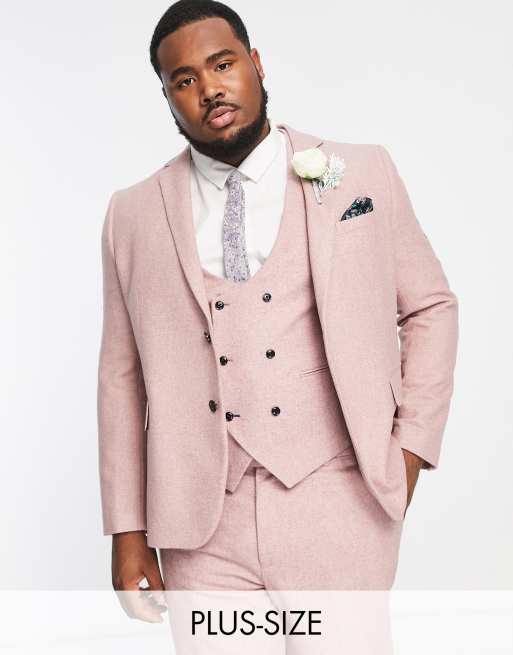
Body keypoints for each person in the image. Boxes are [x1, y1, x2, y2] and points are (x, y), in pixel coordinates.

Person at [97, 0, 458, 628]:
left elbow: (431, 307)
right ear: (168, 98)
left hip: (341, 503)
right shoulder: (130, 215)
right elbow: (120, 378)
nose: (209, 89)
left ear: (256, 64)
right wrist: (127, 531)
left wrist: (407, 453)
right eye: (184, 80)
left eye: (222, 64)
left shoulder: (361, 171)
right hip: (201, 527)